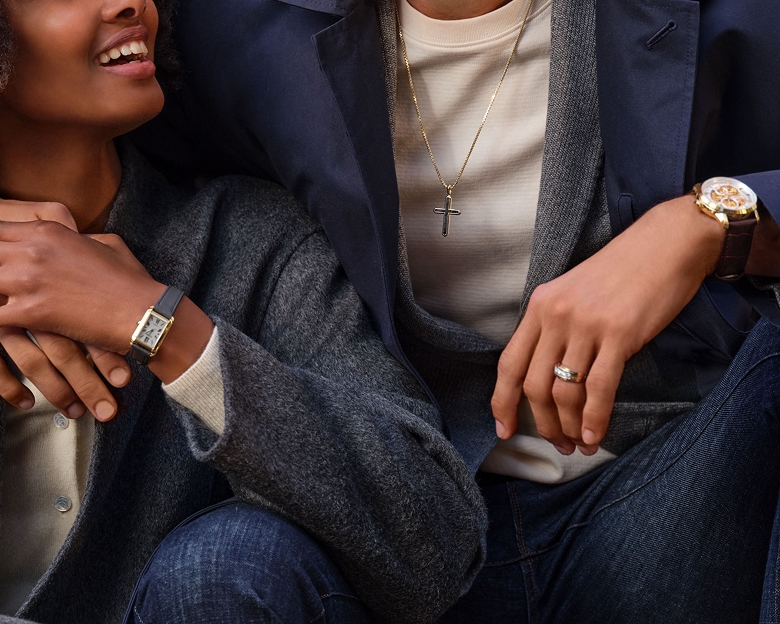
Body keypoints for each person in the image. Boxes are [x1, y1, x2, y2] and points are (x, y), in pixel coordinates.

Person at [125, 0, 780, 620]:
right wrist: (22, 235)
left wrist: (708, 221)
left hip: (670, 489)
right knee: (215, 568)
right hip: (393, 519)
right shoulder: (242, 32)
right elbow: (97, 138)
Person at [0, 0, 487, 622]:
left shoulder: (252, 243)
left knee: (229, 558)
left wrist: (165, 328)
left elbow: (436, 538)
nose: (131, 3)